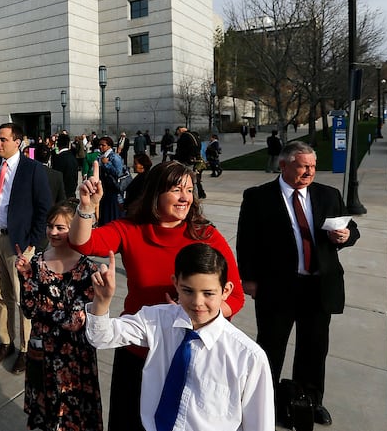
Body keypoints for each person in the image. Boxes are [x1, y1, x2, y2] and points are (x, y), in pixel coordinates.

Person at [68, 160, 245, 431]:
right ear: (156, 194)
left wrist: (198, 311)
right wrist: (86, 208)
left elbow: (235, 296)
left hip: (190, 354)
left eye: (189, 189)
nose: (185, 197)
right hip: (139, 350)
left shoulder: (205, 234)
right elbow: (83, 243)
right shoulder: (130, 229)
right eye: (176, 189)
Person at [236, 141, 359, 426]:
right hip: (277, 286)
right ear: (283, 165)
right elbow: (247, 241)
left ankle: (311, 400)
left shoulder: (328, 195)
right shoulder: (258, 197)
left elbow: (351, 229)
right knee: (270, 347)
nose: (309, 172)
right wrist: (249, 279)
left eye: (313, 166)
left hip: (319, 286)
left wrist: (346, 237)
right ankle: (264, 401)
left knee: (314, 348)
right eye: (303, 166)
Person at [87, 243, 274, 431]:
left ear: (226, 291)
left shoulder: (248, 357)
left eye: (208, 293)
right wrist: (101, 303)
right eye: (188, 291)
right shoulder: (157, 320)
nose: (197, 302)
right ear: (175, 283)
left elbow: (260, 425)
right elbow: (100, 337)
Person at [15, 203, 102, 431]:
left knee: (74, 416)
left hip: (74, 357)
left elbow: (76, 321)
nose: (53, 232)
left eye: (60, 227)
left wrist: (44, 311)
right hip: (42, 354)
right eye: (50, 226)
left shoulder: (89, 269)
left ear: (74, 229)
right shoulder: (37, 262)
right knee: (45, 414)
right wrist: (24, 278)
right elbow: (28, 310)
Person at [0, 123, 52, 374]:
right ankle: (6, 341)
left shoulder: (32, 170)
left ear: (18, 142)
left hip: (19, 243)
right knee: (1, 294)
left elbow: (44, 208)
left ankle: (25, 349)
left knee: (22, 297)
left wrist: (32, 243)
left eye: (3, 139)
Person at [97, 136, 123, 225]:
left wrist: (107, 164)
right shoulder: (102, 156)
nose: (100, 147)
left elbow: (118, 173)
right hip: (105, 189)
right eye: (99, 145)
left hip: (113, 191)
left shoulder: (114, 157)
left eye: (103, 145)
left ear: (109, 146)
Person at [51, 133, 79, 199]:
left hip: (61, 195)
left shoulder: (58, 158)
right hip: (72, 193)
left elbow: (56, 178)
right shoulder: (73, 157)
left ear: (58, 144)